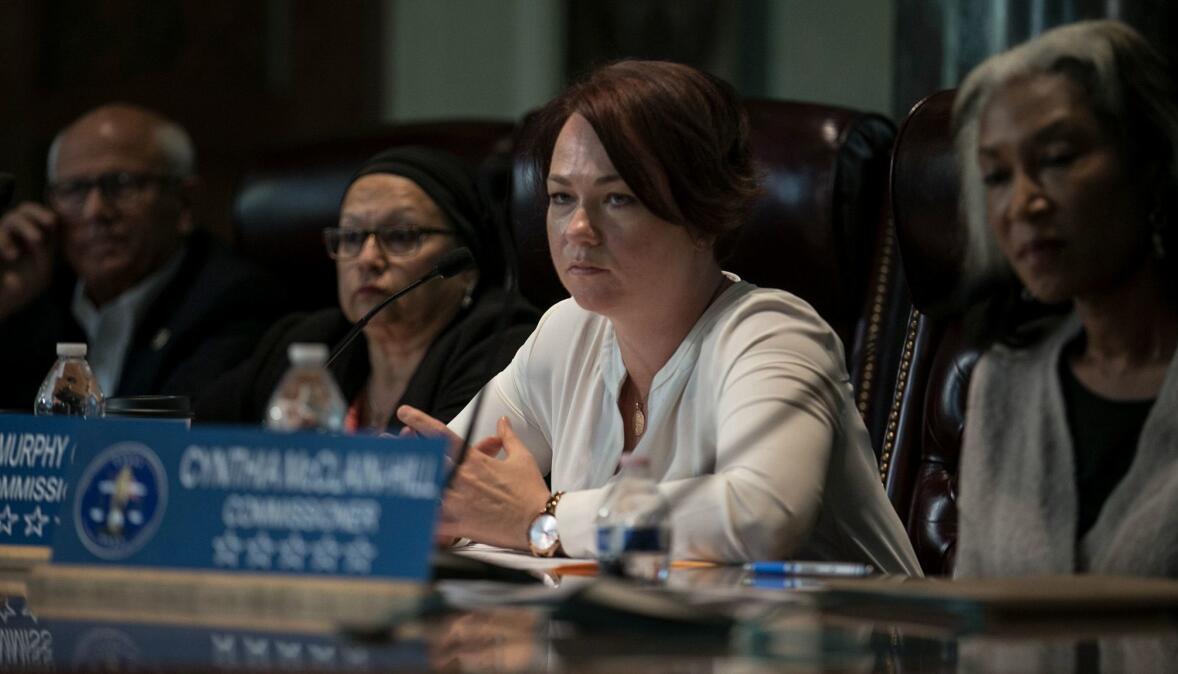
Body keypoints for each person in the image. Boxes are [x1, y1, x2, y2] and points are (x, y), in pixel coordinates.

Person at [398, 61, 921, 571]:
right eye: (561, 197)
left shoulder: (772, 335)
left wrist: (545, 520)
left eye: (619, 198)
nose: (577, 228)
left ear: (703, 215)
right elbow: (445, 487)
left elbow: (760, 515)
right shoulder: (566, 333)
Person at [951, 21, 1178, 578]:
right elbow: (975, 621)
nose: (1022, 204)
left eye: (1058, 158)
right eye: (996, 176)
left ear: (1152, 164)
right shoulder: (1003, 381)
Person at [194, 147, 540, 432]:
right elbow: (192, 434)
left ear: (465, 266)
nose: (367, 259)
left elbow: (437, 487)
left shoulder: (502, 346)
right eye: (351, 238)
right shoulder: (308, 342)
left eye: (402, 236)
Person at [0, 103, 287, 408]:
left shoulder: (235, 301)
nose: (95, 210)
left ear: (185, 204)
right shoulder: (31, 297)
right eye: (74, 189)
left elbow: (168, 438)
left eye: (122, 184)